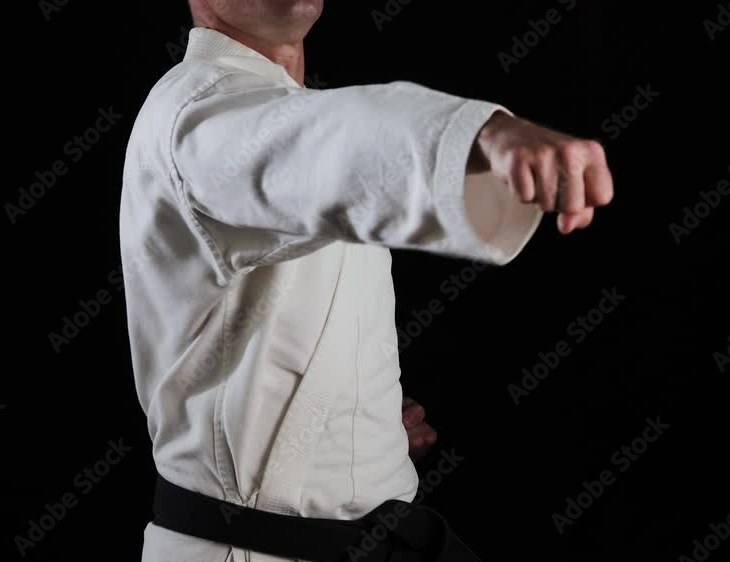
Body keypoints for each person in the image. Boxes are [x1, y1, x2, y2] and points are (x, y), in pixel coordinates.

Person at [119, 1, 614, 560]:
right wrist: (478, 137)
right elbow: (331, 142)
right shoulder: (198, 110)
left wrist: (358, 436)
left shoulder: (291, 111)